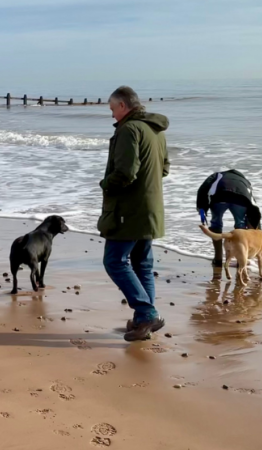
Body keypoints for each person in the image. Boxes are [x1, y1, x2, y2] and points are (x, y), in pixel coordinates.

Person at [98, 86, 170, 341]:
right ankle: (143, 322)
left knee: (114, 261)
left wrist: (105, 183)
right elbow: (164, 169)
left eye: (112, 110)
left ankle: (147, 312)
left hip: (128, 210)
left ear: (122, 106)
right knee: (142, 264)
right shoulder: (155, 131)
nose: (112, 116)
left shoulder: (129, 129)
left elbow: (126, 173)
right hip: (150, 208)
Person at [196, 170, 261, 266]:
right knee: (240, 226)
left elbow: (202, 189)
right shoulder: (244, 181)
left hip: (219, 198)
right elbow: (252, 203)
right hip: (240, 199)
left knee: (216, 223)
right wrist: (257, 226)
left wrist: (202, 209)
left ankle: (218, 259)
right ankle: (241, 260)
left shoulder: (217, 175)